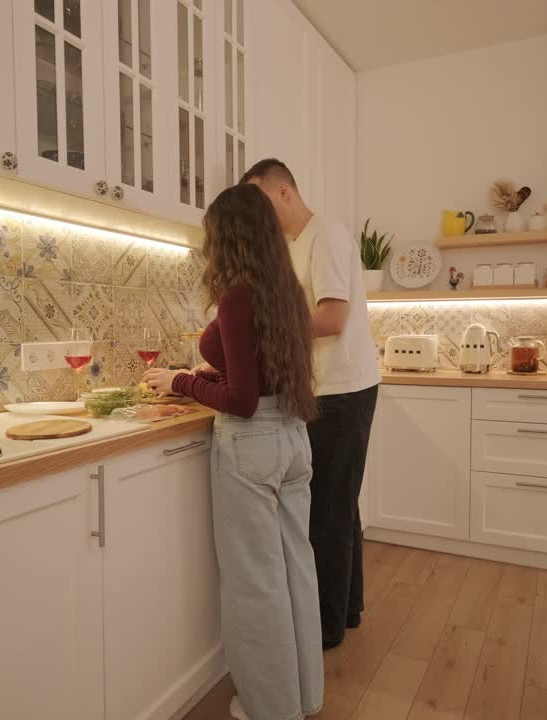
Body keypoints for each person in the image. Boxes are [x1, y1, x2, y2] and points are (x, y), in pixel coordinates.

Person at [143, 183, 322, 720]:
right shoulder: (285, 290)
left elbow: (242, 403)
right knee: (296, 568)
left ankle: (270, 708)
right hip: (291, 437)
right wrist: (212, 376)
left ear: (227, 237)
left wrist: (180, 381)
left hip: (251, 448)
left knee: (255, 584)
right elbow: (263, 380)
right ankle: (303, 696)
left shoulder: (236, 296)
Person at [240, 159, 382, 650]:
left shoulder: (326, 235)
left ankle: (324, 629)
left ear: (284, 190)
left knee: (326, 511)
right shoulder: (295, 244)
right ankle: (348, 609)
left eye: (260, 201)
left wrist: (264, 334)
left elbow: (332, 318)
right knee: (340, 506)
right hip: (331, 388)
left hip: (342, 390)